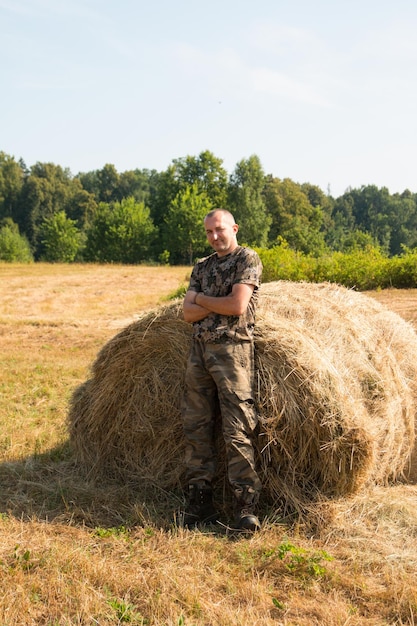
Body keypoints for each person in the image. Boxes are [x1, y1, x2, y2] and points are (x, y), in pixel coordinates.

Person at [181, 208, 263, 531]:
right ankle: (200, 501)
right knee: (196, 427)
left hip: (233, 351)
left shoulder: (247, 260)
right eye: (209, 233)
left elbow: (237, 306)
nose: (214, 237)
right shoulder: (202, 266)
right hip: (199, 352)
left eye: (219, 230)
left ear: (234, 227)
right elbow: (187, 314)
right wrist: (211, 300)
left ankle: (245, 506)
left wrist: (202, 299)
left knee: (237, 428)